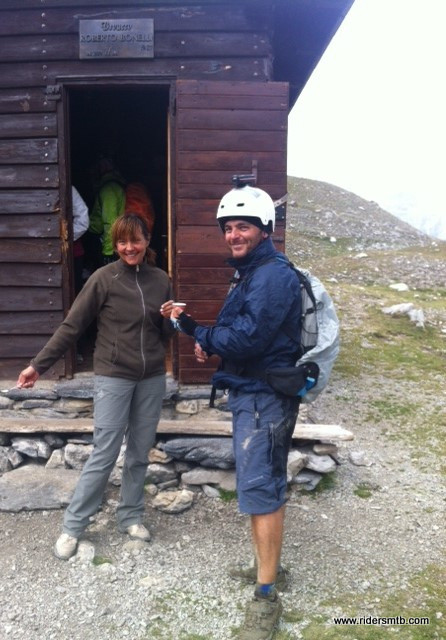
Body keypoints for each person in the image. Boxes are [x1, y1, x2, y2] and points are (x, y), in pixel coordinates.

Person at [170, 185, 303, 640]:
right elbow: (235, 330)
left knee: (261, 488)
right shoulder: (252, 273)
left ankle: (267, 596)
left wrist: (203, 336)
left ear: (265, 229)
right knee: (261, 483)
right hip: (253, 391)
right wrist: (202, 334)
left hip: (265, 397)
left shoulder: (272, 276)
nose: (233, 235)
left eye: (242, 226)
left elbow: (247, 340)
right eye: (228, 228)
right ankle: (267, 568)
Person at [17, 214, 175, 560]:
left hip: (151, 379)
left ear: (148, 241)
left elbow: (165, 334)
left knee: (138, 453)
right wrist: (37, 366)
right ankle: (73, 526)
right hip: (113, 376)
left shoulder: (161, 280)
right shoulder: (104, 279)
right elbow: (72, 326)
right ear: (115, 244)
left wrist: (170, 321)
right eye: (121, 241)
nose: (129, 247)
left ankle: (131, 516)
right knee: (104, 452)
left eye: (135, 240)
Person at [86, 156, 126, 267]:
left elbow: (110, 221)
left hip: (102, 239)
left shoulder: (108, 189)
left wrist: (108, 252)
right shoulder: (112, 185)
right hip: (106, 238)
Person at [71, 185, 89, 295]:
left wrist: (66, 238)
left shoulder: (68, 189)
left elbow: (83, 220)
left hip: (72, 252)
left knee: (75, 291)